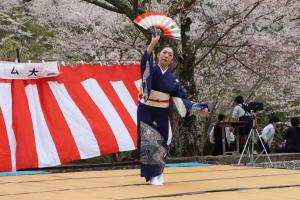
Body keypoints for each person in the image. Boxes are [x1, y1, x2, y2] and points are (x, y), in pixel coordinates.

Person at [137, 31, 209, 186]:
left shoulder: (173, 79)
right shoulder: (152, 69)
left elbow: (182, 99)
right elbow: (145, 62)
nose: (166, 56)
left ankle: (159, 171)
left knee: (165, 139)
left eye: (169, 54)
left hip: (162, 111)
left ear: (172, 60)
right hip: (147, 109)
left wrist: (198, 108)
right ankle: (153, 176)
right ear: (158, 55)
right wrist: (153, 43)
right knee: (150, 140)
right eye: (163, 52)